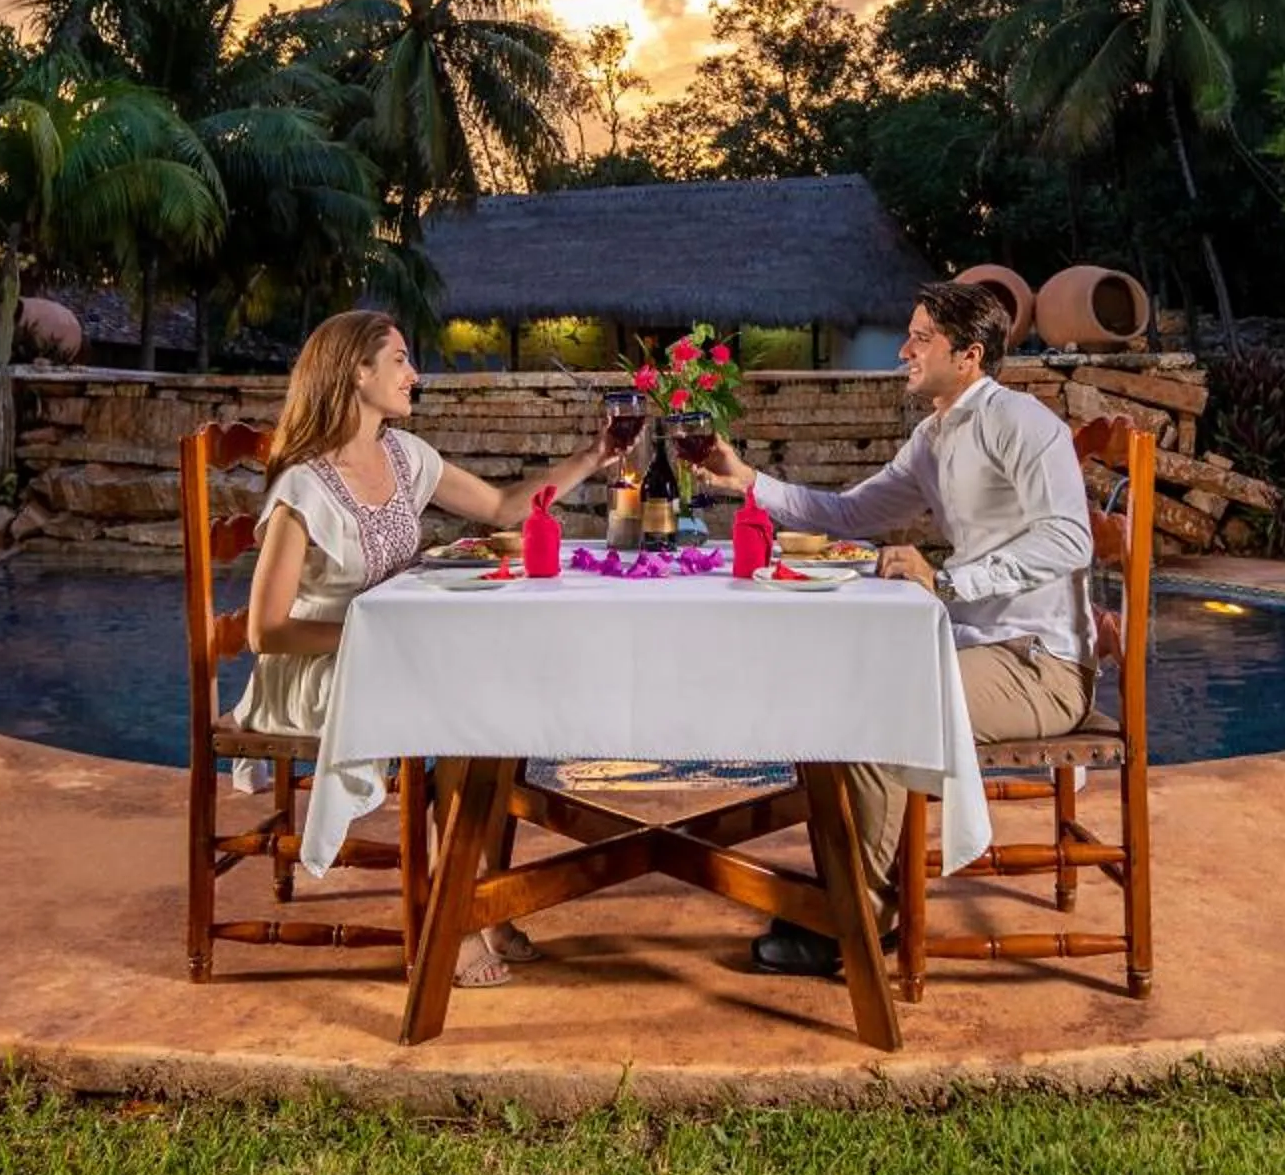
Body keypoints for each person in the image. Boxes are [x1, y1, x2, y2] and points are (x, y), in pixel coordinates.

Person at [691, 279, 1093, 976]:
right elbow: (849, 515)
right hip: (979, 647)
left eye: (920, 338)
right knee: (839, 693)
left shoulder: (1022, 423)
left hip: (1039, 665)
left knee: (882, 710)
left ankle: (863, 918)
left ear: (968, 355)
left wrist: (948, 580)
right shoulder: (934, 438)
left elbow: (1069, 540)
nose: (903, 349)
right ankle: (847, 891)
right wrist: (746, 480)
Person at [233, 309, 623, 988]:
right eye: (401, 361)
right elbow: (264, 630)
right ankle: (457, 915)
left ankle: (476, 894)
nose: (415, 376)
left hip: (388, 658)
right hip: (316, 671)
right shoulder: (303, 487)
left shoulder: (405, 457)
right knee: (473, 715)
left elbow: (505, 508)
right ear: (357, 372)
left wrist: (596, 456)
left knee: (502, 706)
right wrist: (376, 636)